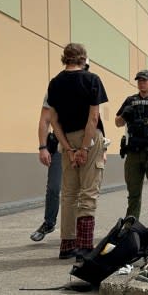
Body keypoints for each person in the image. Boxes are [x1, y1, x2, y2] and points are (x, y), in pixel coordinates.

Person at [47, 43, 108, 261]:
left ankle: (66, 244)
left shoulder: (54, 83)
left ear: (65, 58)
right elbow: (93, 118)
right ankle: (84, 247)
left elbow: (53, 119)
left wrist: (69, 148)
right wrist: (84, 147)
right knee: (88, 192)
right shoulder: (92, 80)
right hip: (88, 137)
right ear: (83, 58)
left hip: (67, 139)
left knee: (69, 193)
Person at [115, 70, 148, 234]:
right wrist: (125, 114)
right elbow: (117, 122)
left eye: (145, 80)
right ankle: (130, 228)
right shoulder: (131, 100)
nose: (142, 83)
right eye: (139, 81)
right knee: (133, 195)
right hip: (134, 153)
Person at [30, 100, 62, 242]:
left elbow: (94, 119)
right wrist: (43, 147)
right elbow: (45, 119)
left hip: (80, 145)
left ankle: (77, 230)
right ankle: (49, 223)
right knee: (53, 188)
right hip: (59, 147)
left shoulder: (87, 84)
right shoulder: (54, 89)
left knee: (78, 192)